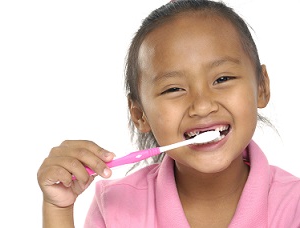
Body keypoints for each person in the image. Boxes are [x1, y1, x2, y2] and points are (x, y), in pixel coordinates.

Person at [37, 0, 300, 227]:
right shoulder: (116, 206)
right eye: (174, 88)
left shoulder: (294, 206)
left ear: (262, 87)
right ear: (140, 115)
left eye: (222, 79)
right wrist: (59, 210)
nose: (202, 105)